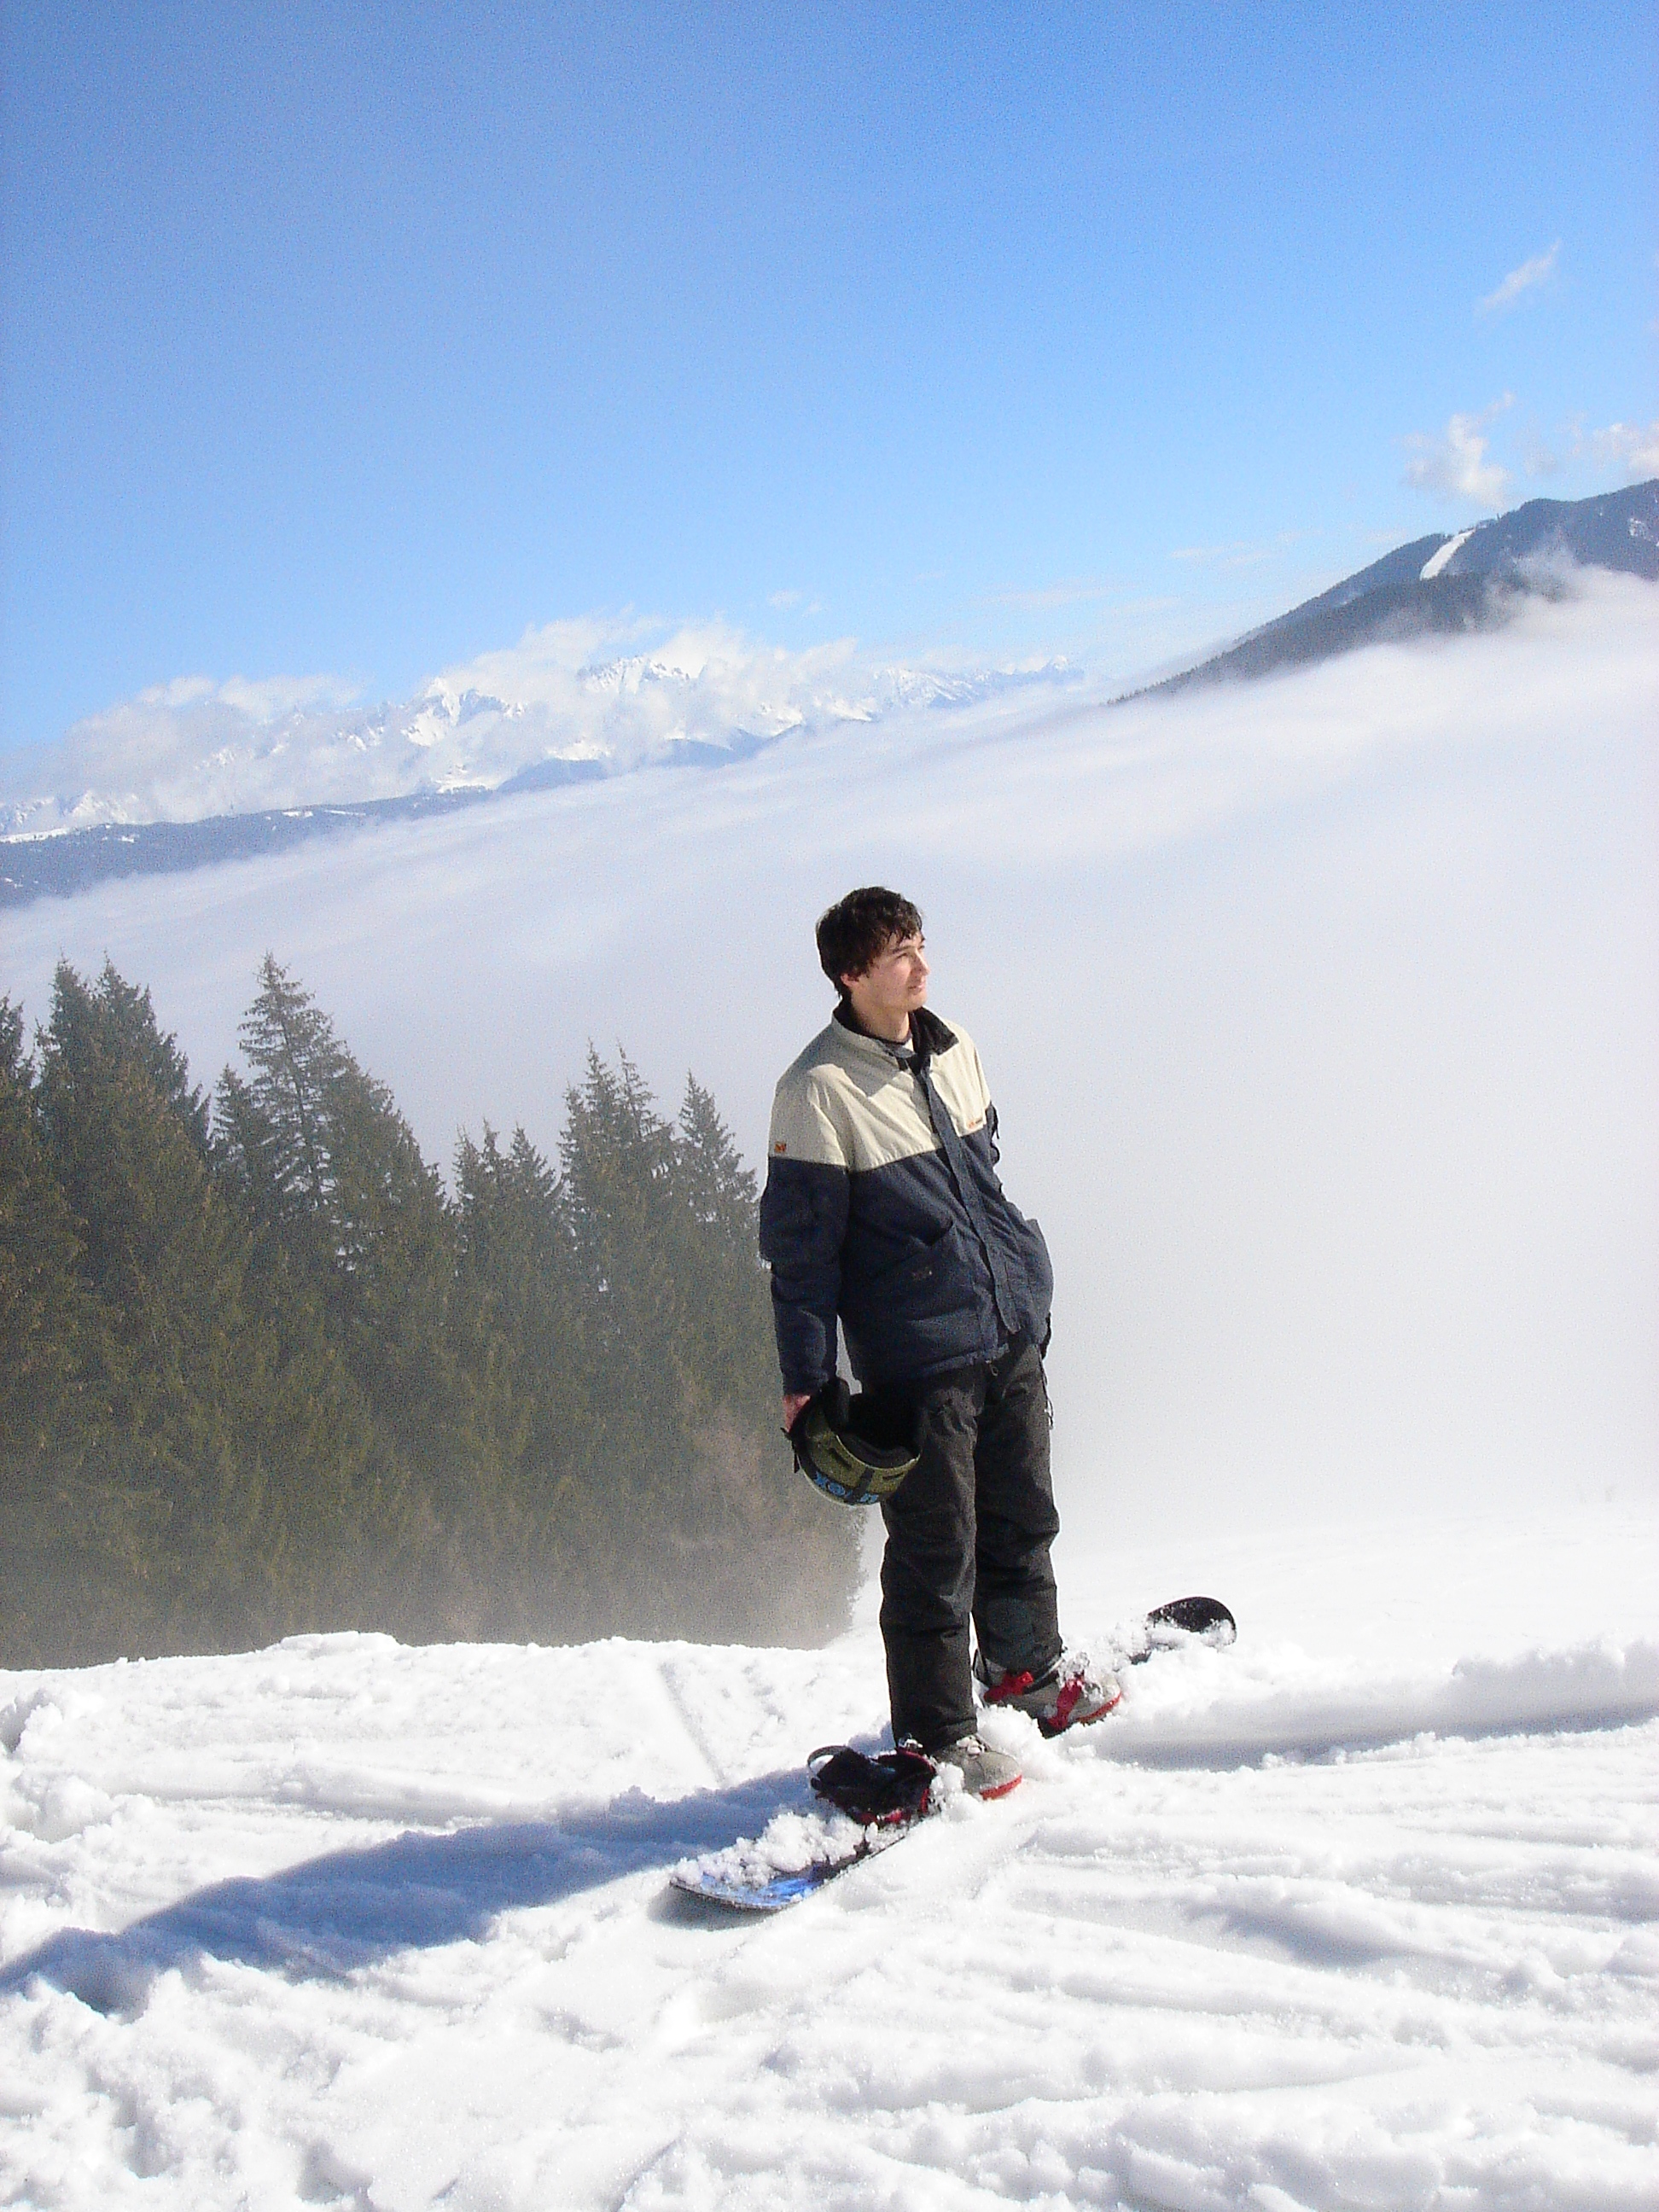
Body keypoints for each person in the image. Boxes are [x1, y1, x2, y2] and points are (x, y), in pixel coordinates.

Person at [758, 886, 1119, 1798]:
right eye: (899, 957)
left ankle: (1025, 1674)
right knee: (935, 1552)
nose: (922, 968)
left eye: (921, 946)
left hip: (1003, 1327)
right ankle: (937, 1734)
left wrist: (1023, 1291)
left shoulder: (952, 1046)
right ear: (851, 975)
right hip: (918, 1359)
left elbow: (982, 1182)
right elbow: (803, 1258)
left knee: (1023, 1517)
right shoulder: (817, 1090)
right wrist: (806, 1380)